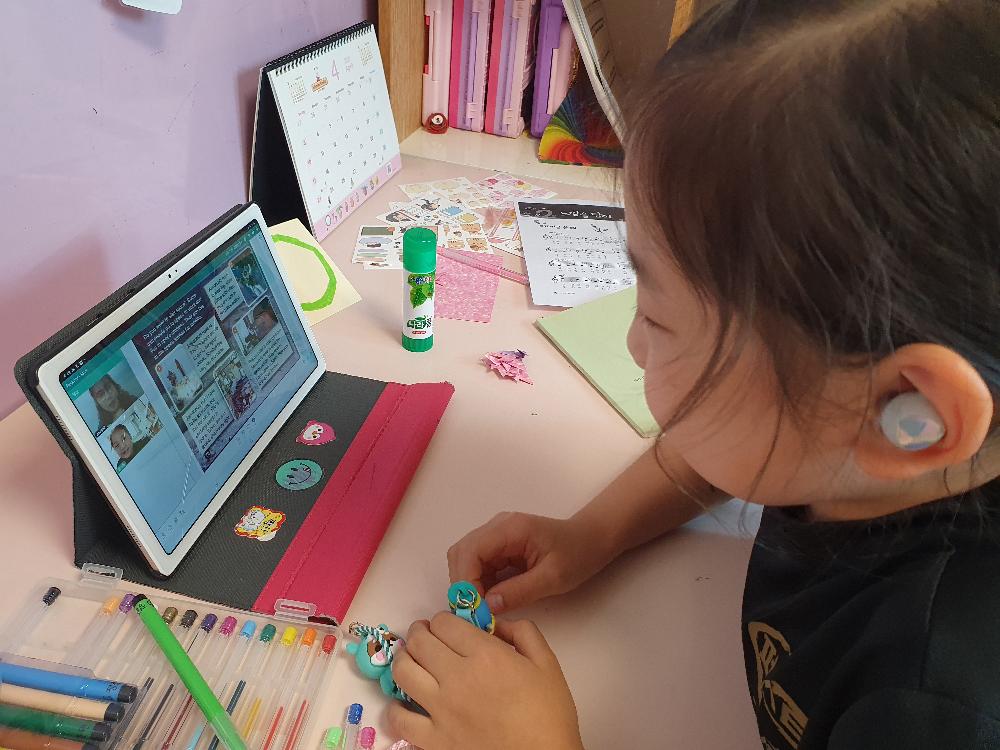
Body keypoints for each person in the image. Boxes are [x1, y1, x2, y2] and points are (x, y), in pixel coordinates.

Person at [386, 2, 1000, 749]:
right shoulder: (855, 443)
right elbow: (718, 450)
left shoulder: (936, 704)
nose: (633, 344)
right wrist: (595, 532)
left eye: (660, 318)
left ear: (912, 410)